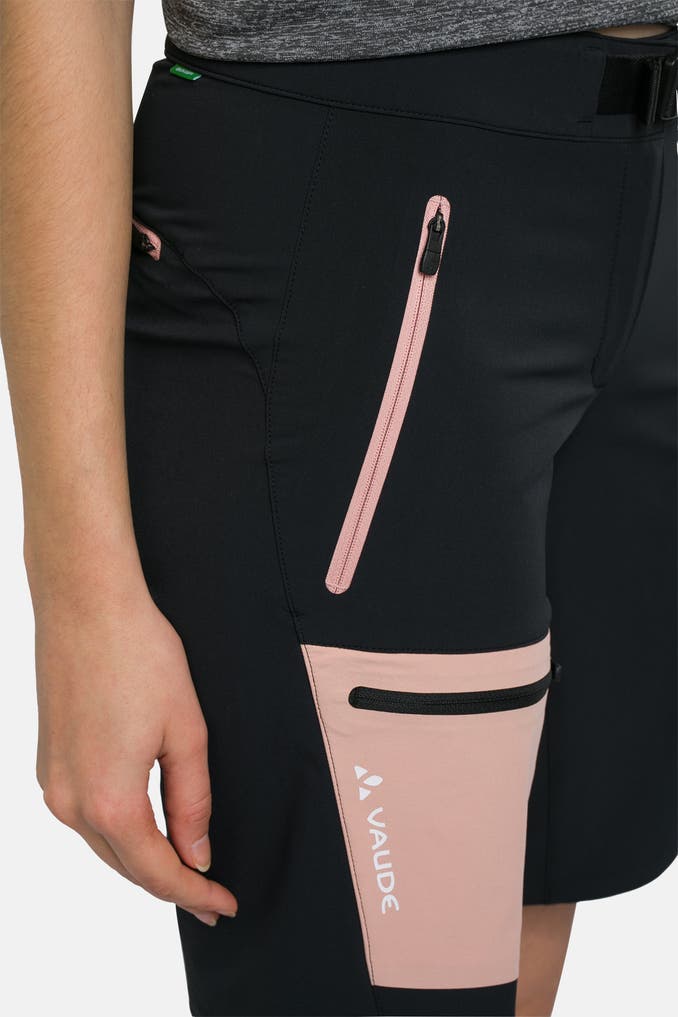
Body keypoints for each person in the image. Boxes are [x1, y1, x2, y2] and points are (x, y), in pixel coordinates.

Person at [1, 3, 676, 1015]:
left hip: (640, 197)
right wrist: (80, 593)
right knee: (390, 977)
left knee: (514, 925)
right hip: (362, 241)